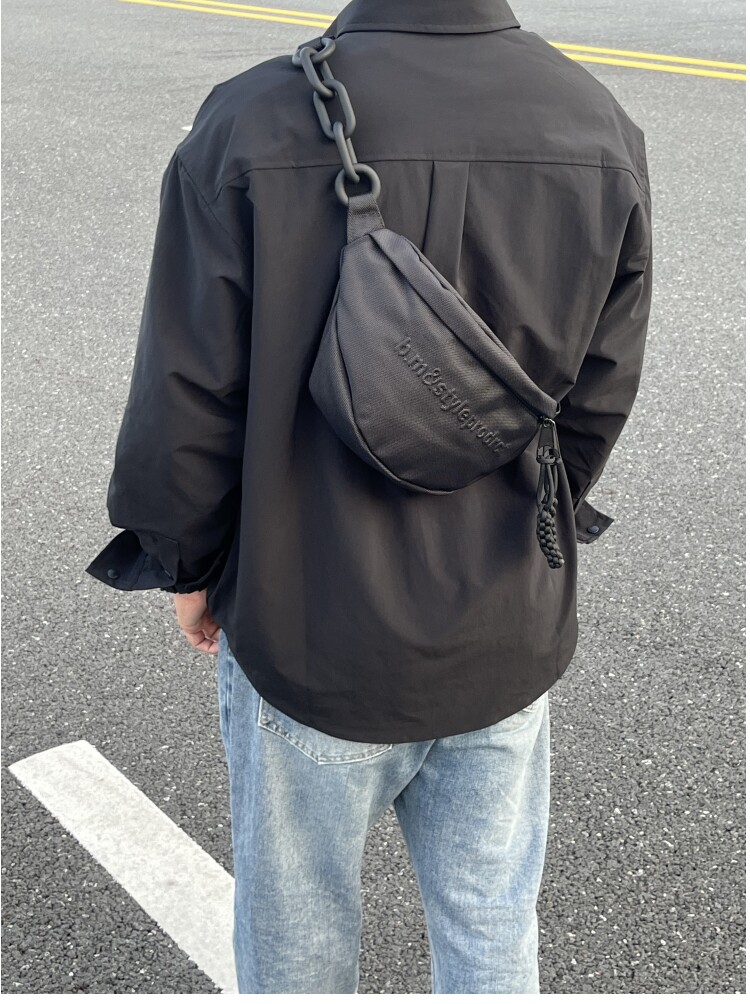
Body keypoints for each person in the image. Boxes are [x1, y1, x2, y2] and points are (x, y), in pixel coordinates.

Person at [86, 0, 653, 993]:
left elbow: (188, 392)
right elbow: (598, 393)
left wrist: (185, 563)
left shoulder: (254, 120)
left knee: (297, 939)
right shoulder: (597, 123)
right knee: (489, 926)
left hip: (308, 621)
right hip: (503, 621)